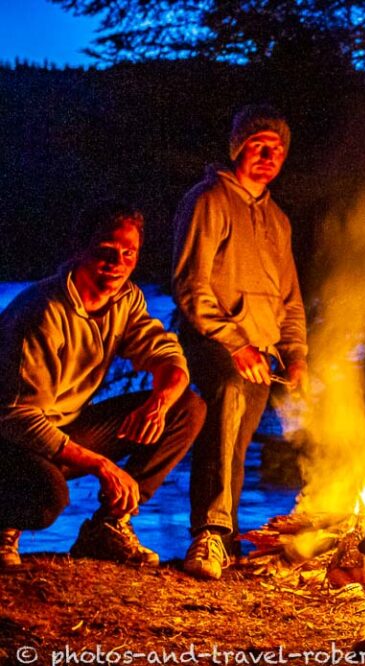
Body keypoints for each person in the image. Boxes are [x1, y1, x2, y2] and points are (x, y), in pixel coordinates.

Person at [0, 201, 204, 568]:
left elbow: (168, 358)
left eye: (129, 253)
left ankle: (109, 526)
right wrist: (102, 466)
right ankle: (5, 522)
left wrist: (158, 402)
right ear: (81, 250)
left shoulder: (125, 300)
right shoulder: (43, 311)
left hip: (62, 427)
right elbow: (17, 418)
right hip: (11, 440)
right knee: (49, 497)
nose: (117, 263)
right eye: (106, 250)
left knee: (186, 408)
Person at [173, 104, 308, 580]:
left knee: (237, 439)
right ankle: (207, 533)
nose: (269, 155)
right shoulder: (208, 199)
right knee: (224, 412)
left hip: (263, 350)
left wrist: (295, 355)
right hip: (215, 342)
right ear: (237, 149)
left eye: (277, 149)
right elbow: (191, 285)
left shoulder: (279, 220)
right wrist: (234, 343)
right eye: (258, 146)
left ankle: (226, 541)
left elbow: (290, 298)